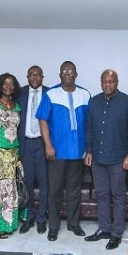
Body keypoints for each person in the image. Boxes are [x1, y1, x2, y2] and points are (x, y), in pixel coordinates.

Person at [84, 70, 128, 249]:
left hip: (118, 159)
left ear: (117, 82)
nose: (108, 84)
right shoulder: (94, 102)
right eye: (105, 81)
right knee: (101, 194)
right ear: (101, 82)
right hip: (98, 158)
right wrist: (89, 151)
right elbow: (90, 129)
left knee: (117, 196)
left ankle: (116, 233)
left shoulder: (127, 102)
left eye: (111, 81)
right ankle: (104, 229)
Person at [36, 61, 91, 241]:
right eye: (64, 71)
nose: (67, 74)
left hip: (78, 152)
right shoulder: (51, 94)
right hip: (57, 152)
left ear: (76, 74)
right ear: (60, 74)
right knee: (55, 191)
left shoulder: (85, 94)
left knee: (74, 190)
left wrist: (88, 149)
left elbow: (90, 123)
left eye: (70, 71)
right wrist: (48, 146)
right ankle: (53, 227)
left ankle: (73, 224)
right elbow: (43, 120)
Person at [0, 73, 24, 238]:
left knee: (11, 191)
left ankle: (8, 224)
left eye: (11, 84)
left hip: (13, 153)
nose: (8, 87)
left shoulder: (16, 106)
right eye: (5, 84)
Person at [16, 65, 49, 234]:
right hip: (26, 143)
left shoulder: (50, 93)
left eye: (38, 75)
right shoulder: (19, 93)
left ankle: (42, 218)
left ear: (42, 77)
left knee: (44, 183)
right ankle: (28, 217)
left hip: (43, 144)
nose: (35, 78)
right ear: (27, 77)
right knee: (27, 183)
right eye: (31, 75)